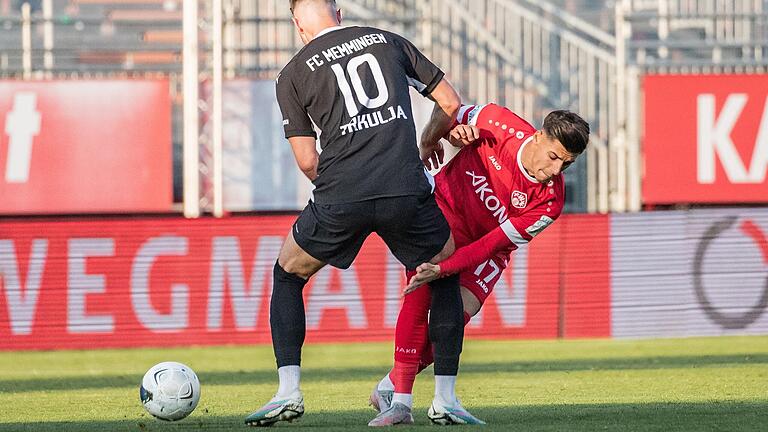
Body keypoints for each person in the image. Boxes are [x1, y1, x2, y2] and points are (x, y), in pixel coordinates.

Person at [245, 0, 466, 426]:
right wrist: (426, 141)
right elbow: (451, 102)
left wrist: (340, 193)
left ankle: (288, 392)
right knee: (445, 274)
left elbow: (307, 160)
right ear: (338, 12)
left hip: (341, 195)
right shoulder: (388, 41)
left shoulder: (292, 74)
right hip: (405, 186)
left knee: (288, 274)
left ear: (297, 25)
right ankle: (445, 399)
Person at [367, 103, 590, 426]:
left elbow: (491, 245)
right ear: (539, 137)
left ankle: (389, 386)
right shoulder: (496, 121)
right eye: (554, 157)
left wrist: (444, 269)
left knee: (453, 321)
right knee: (422, 289)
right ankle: (402, 401)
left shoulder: (550, 203)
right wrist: (446, 134)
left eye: (566, 164)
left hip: (486, 249)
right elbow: (446, 107)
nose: (556, 171)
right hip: (445, 209)